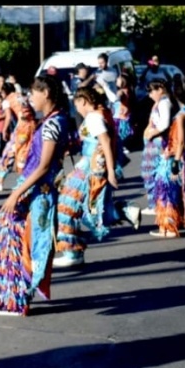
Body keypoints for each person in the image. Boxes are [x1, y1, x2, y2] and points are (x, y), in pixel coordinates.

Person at [0, 74, 72, 317]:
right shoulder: (54, 120)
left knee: (16, 239)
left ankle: (15, 300)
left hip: (37, 193)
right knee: (17, 239)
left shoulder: (54, 123)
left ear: (45, 93)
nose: (30, 98)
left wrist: (16, 194)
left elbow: (44, 166)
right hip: (35, 191)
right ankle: (14, 297)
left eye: (33, 93)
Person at [54, 86, 128, 267]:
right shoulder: (102, 112)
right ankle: (122, 211)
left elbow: (105, 141)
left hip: (89, 165)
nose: (76, 109)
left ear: (83, 101)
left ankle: (72, 252)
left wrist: (110, 171)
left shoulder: (93, 116)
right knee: (81, 204)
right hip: (90, 163)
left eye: (77, 105)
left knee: (67, 204)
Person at [150, 77, 185, 237]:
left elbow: (180, 141)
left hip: (181, 157)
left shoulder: (181, 116)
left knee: (172, 190)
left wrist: (174, 161)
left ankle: (173, 223)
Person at [0, 82, 36, 192]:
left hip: (22, 128)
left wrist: (4, 130)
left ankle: (1, 181)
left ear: (4, 92)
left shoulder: (7, 100)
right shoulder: (21, 96)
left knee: (9, 152)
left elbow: (8, 117)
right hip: (31, 126)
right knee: (25, 151)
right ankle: (24, 180)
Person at [140, 78, 175, 215]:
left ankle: (155, 204)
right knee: (151, 172)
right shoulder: (160, 103)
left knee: (151, 173)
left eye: (151, 91)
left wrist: (151, 133)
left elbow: (164, 123)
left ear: (160, 89)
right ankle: (154, 203)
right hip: (153, 141)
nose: (149, 95)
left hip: (158, 141)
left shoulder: (164, 103)